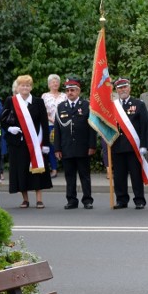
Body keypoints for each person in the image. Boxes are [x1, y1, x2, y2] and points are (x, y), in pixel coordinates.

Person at [0, 75, 53, 208]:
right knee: (21, 170)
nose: (25, 88)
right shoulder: (11, 101)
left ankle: (39, 199)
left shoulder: (38, 102)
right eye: (22, 85)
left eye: (28, 85)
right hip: (17, 144)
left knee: (36, 170)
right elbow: (3, 119)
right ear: (17, 87)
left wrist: (45, 144)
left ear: (31, 87)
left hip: (36, 142)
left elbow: (44, 124)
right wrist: (9, 128)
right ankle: (25, 199)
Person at [53, 77, 97, 209]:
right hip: (67, 147)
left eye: (72, 90)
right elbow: (57, 129)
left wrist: (92, 145)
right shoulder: (61, 107)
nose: (69, 93)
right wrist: (57, 148)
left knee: (85, 175)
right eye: (67, 90)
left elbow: (92, 128)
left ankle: (87, 200)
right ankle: (71, 200)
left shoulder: (86, 106)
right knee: (69, 176)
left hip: (83, 147)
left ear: (78, 91)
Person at [111, 77, 148, 209]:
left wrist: (144, 145)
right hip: (117, 146)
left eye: (124, 87)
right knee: (119, 176)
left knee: (136, 175)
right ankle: (121, 200)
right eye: (119, 88)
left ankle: (139, 200)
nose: (122, 90)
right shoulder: (113, 106)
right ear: (116, 90)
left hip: (134, 146)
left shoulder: (138, 104)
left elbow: (145, 126)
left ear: (129, 88)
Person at [41, 73, 65, 178]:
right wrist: (51, 119)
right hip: (50, 125)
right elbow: (42, 111)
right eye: (53, 82)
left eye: (57, 82)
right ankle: (54, 169)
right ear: (49, 84)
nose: (55, 84)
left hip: (63, 125)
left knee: (64, 146)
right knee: (51, 147)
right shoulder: (45, 96)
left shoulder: (64, 95)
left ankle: (67, 168)